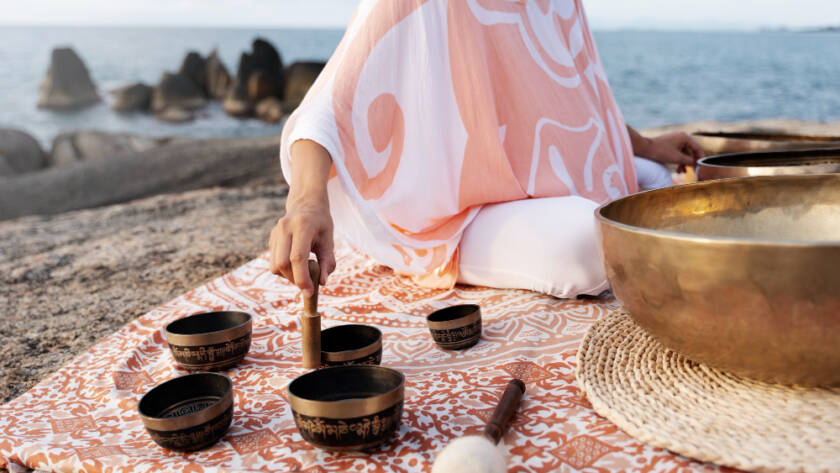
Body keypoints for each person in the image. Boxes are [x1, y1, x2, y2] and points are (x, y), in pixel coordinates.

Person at [269, 0, 704, 298]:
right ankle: (419, 248)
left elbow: (573, 98)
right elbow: (330, 103)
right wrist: (307, 200)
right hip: (459, 202)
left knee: (653, 181)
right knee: (593, 243)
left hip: (539, 179)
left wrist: (646, 145)